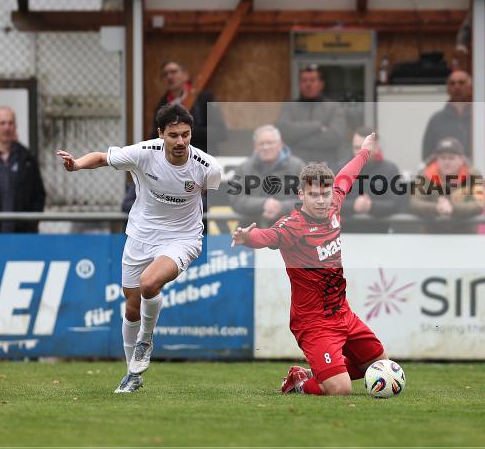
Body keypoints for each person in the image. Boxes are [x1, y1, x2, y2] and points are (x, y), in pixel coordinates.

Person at [57, 104, 222, 394]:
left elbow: (218, 197)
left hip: (183, 238)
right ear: (161, 134)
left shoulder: (207, 167)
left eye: (185, 135)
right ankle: (132, 373)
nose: (181, 142)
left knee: (149, 283)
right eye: (173, 135)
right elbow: (101, 158)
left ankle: (146, 341)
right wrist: (77, 164)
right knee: (132, 306)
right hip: (141, 235)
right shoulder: (144, 152)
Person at [230, 132, 388, 395]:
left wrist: (363, 152)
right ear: (301, 194)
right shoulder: (293, 227)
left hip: (342, 313)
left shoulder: (334, 205)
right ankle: (300, 383)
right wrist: (248, 237)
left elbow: (346, 178)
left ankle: (313, 373)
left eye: (325, 194)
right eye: (314, 195)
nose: (321, 200)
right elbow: (269, 236)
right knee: (340, 390)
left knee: (378, 365)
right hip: (313, 322)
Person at [0, 106, 46, 233]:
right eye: (2, 123)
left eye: (11, 123)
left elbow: (38, 195)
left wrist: (30, 223)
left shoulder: (27, 159)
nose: (7, 127)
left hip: (20, 234)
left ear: (15, 126)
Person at [420, 70, 485, 176]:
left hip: (480, 179)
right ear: (447, 89)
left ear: (470, 88)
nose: (457, 87)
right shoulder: (436, 120)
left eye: (461, 83)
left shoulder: (484, 118)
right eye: (452, 83)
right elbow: (427, 157)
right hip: (443, 185)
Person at [230, 125, 305, 227]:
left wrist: (281, 207)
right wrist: (263, 204)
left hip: (290, 231)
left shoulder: (297, 166)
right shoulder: (243, 168)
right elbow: (236, 200)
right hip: (251, 232)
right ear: (255, 147)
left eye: (270, 143)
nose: (265, 147)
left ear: (280, 145)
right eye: (261, 144)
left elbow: (307, 199)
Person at [409, 137, 485, 234]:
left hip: (465, 233)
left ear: (461, 160)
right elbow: (414, 202)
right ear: (437, 160)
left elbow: (479, 204)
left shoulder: (474, 175)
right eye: (442, 158)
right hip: (432, 234)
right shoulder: (425, 174)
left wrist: (452, 208)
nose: (446, 162)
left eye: (451, 158)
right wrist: (436, 208)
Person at [277, 65, 347, 169]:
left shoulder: (334, 108)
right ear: (299, 84)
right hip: (295, 169)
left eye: (313, 80)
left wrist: (296, 138)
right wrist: (317, 126)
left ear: (321, 84)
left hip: (326, 169)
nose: (308, 84)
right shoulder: (289, 107)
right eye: (304, 80)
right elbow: (284, 132)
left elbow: (336, 137)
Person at [340, 126, 403, 233]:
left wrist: (371, 206)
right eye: (356, 148)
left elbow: (396, 203)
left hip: (380, 234)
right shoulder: (342, 168)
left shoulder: (390, 169)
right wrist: (353, 205)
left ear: (376, 147)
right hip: (346, 235)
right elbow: (330, 202)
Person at [155, 59, 222, 153]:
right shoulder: (162, 105)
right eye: (165, 74)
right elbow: (156, 136)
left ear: (185, 75)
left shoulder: (203, 98)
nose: (169, 76)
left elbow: (220, 132)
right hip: (174, 161)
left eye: (173, 72)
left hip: (203, 156)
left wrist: (185, 131)